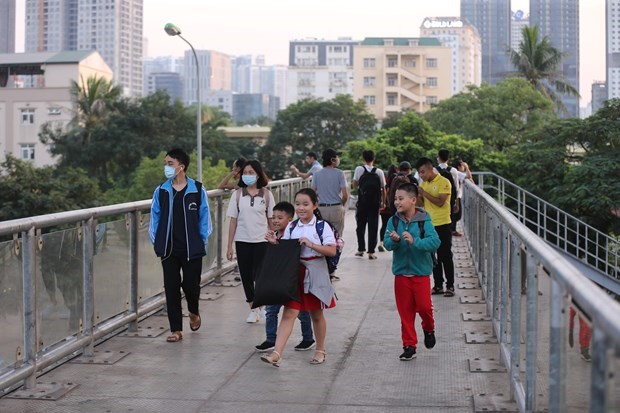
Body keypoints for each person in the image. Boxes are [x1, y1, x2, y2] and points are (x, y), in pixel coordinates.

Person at [261, 188, 337, 367]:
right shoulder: (293, 226)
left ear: (314, 205)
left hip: (316, 272)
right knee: (289, 313)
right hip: (295, 273)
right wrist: (275, 243)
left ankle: (320, 350)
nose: (301, 208)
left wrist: (311, 245)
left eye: (305, 204)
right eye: (298, 204)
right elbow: (285, 250)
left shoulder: (321, 226)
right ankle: (277, 353)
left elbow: (331, 250)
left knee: (316, 314)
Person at [149, 148, 212, 342]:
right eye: (166, 163)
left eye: (170, 164)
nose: (166, 167)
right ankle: (176, 329)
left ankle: (194, 311)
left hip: (192, 248)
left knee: (191, 285)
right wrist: (157, 242)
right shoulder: (161, 191)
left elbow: (205, 219)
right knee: (171, 287)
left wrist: (201, 241)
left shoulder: (197, 190)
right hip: (168, 249)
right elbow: (155, 218)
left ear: (181, 167)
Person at [384, 183, 440, 360]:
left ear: (413, 200)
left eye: (401, 199)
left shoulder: (424, 220)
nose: (397, 202)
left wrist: (415, 241)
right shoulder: (393, 220)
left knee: (424, 307)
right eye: (395, 199)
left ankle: (428, 328)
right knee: (405, 312)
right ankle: (409, 345)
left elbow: (435, 242)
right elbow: (386, 243)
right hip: (401, 274)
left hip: (421, 273)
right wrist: (394, 241)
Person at [255, 201, 316, 352]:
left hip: (291, 280)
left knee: (301, 311)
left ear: (290, 219)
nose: (275, 220)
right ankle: (270, 339)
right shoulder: (273, 235)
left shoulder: (294, 234)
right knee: (271, 310)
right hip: (276, 280)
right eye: (274, 217)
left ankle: (308, 338)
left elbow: (288, 253)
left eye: (280, 217)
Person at [226, 160, 275, 323]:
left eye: (251, 172)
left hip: (262, 240)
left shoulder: (267, 195)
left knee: (260, 276)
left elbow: (271, 220)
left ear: (259, 174)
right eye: (245, 172)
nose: (248, 175)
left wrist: (274, 239)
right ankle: (253, 309)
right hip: (242, 240)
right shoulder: (237, 195)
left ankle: (261, 303)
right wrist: (229, 246)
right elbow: (233, 221)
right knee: (246, 276)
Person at [415, 157, 456, 297]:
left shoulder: (444, 182)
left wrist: (424, 193)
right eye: (419, 173)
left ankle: (450, 285)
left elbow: (440, 202)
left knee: (445, 255)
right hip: (429, 224)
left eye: (423, 172)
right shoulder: (424, 184)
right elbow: (421, 203)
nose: (421, 175)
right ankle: (438, 285)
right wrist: (418, 195)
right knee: (432, 256)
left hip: (443, 223)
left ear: (430, 169)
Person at [311, 148, 349, 280]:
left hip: (321, 209)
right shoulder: (339, 173)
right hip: (336, 208)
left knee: (321, 239)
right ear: (332, 159)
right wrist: (341, 204)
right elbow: (345, 195)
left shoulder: (317, 174)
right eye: (336, 157)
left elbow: (312, 192)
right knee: (337, 239)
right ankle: (332, 270)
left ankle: (322, 267)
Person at [352, 150, 386, 260]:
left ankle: (361, 249)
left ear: (363, 158)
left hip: (362, 202)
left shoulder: (359, 169)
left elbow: (354, 184)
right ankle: (371, 252)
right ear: (374, 159)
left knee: (360, 225)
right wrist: (383, 202)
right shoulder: (379, 172)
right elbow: (383, 189)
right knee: (373, 226)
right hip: (375, 203)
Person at [450, 158, 473, 237]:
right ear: (459, 166)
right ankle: (452, 230)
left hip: (455, 195)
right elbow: (469, 176)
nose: (463, 167)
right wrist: (467, 167)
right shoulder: (458, 173)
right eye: (462, 166)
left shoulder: (455, 172)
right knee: (457, 214)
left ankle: (452, 230)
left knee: (456, 214)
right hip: (456, 196)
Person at [378, 164, 397, 252]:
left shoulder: (385, 180)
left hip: (384, 207)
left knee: (384, 225)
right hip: (392, 207)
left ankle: (381, 242)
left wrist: (383, 203)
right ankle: (392, 242)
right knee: (393, 225)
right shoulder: (396, 180)